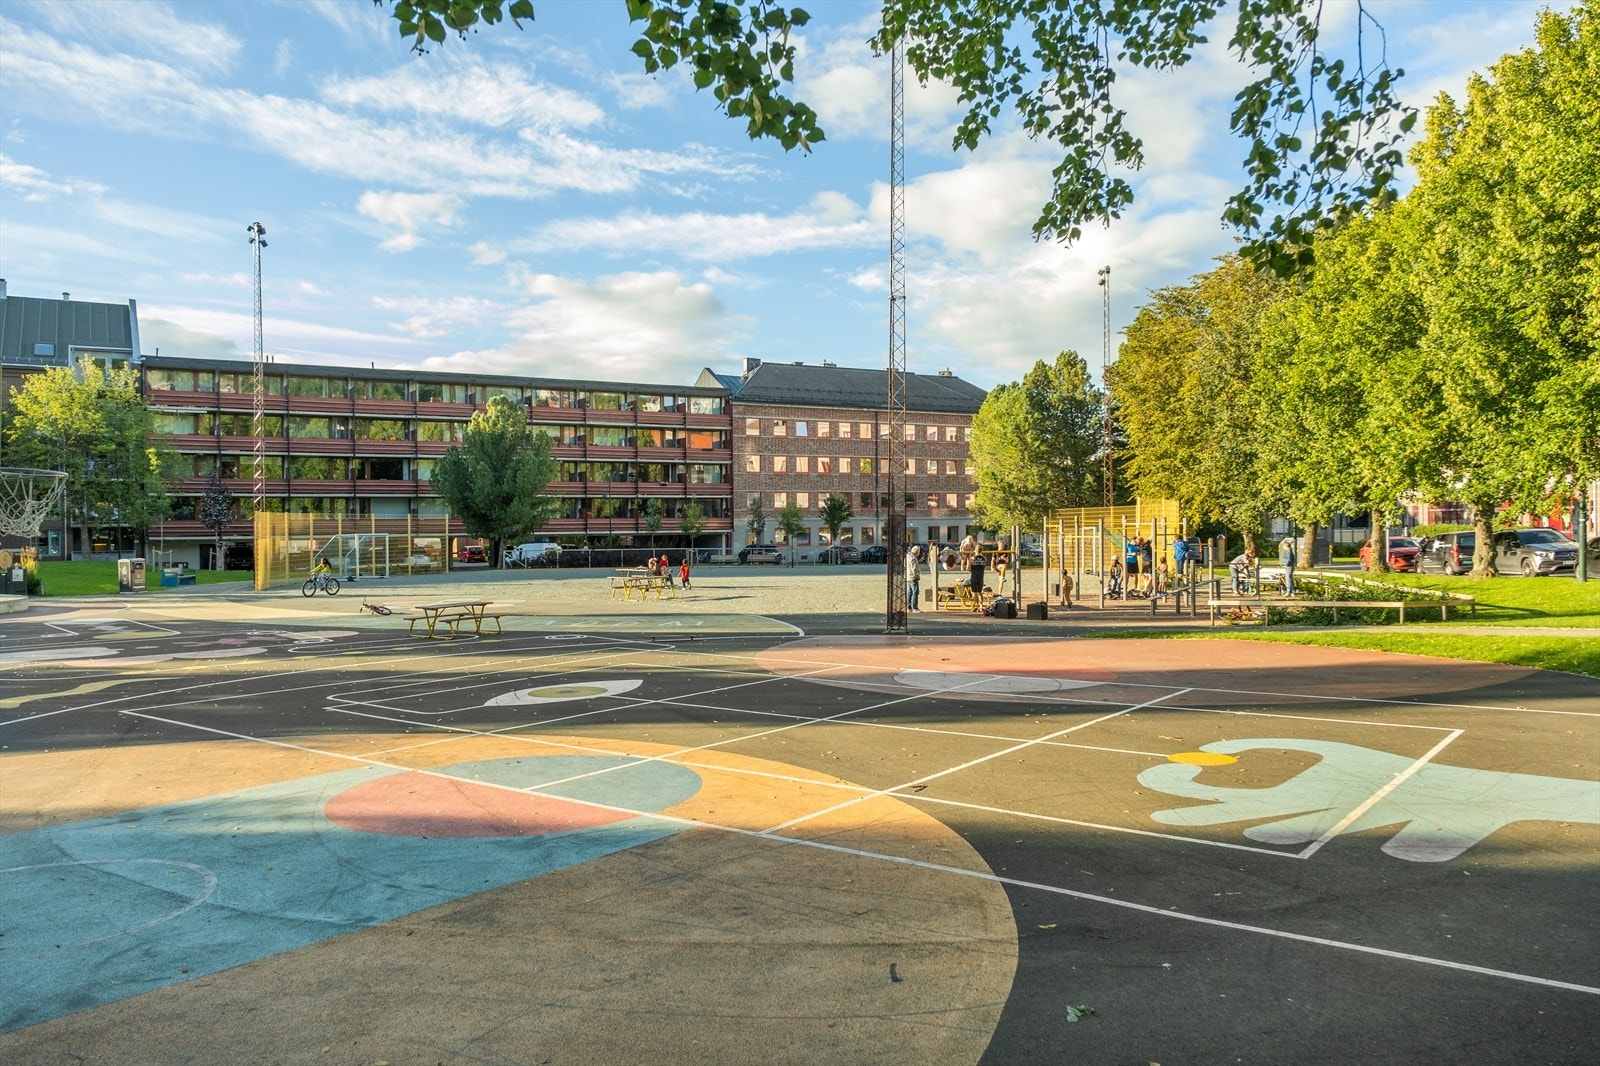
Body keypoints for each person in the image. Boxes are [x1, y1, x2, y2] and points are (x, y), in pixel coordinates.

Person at [904, 545, 924, 612]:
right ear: (917, 551)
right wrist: (917, 576)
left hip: (908, 576)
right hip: (913, 577)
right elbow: (914, 568)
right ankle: (915, 608)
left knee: (909, 592)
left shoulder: (908, 556)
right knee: (915, 592)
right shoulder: (913, 558)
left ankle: (908, 607)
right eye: (919, 551)